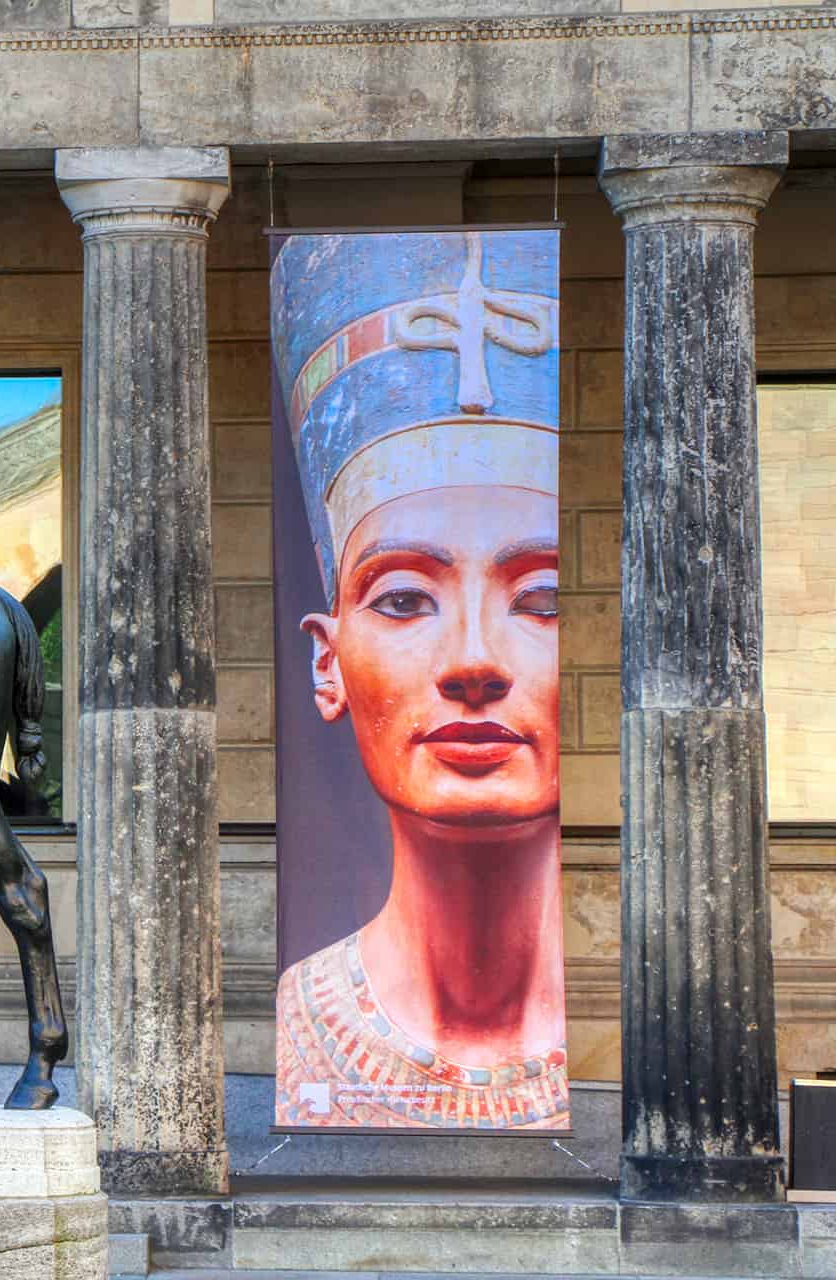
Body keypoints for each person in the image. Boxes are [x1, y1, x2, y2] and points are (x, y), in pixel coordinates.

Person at [272, 230, 568, 1130]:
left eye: (543, 599)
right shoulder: (293, 1030)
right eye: (403, 599)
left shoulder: (650, 1027)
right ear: (329, 663)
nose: (473, 662)